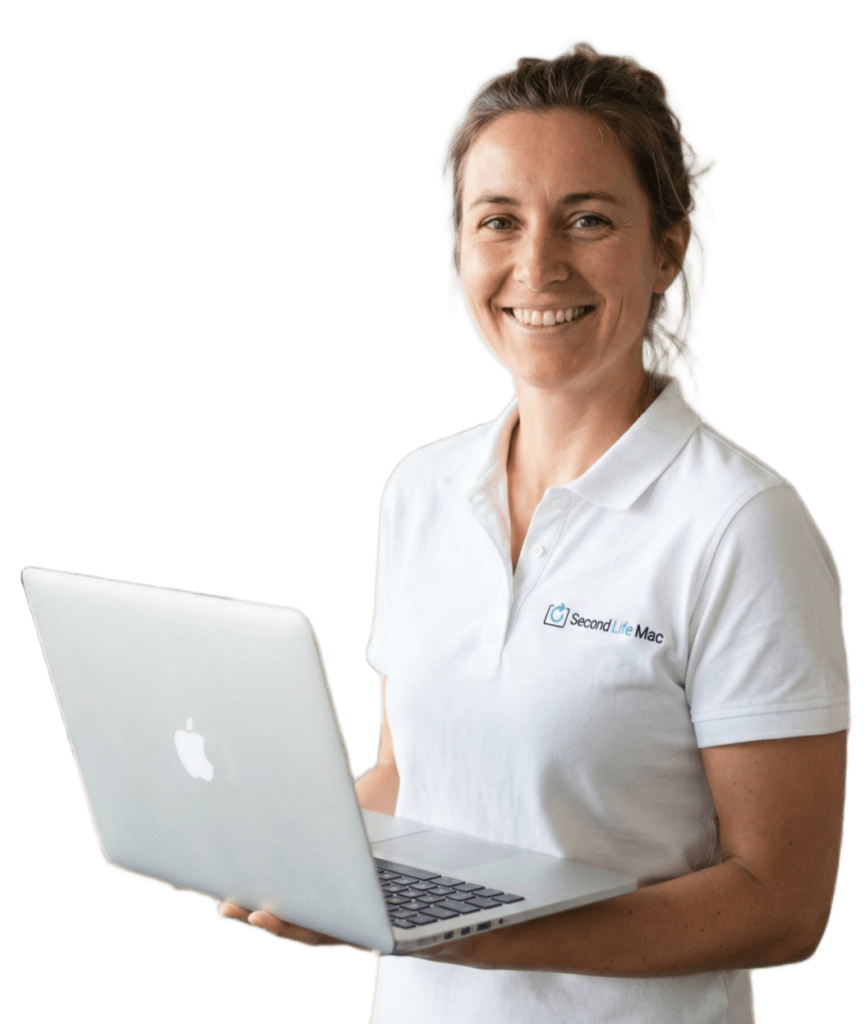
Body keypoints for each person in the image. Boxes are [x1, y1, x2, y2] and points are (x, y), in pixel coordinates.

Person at [216, 39, 851, 1023]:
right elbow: (412, 778)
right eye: (497, 221)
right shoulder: (421, 491)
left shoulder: (737, 527)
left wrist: (471, 931)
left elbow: (781, 903)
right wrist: (294, 855)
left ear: (666, 248)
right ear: (458, 245)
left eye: (586, 220)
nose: (536, 265)